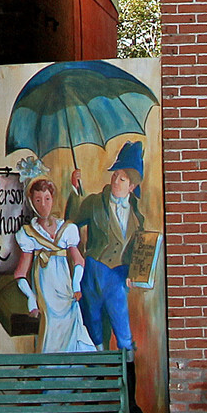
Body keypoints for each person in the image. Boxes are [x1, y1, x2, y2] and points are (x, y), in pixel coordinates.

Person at [66, 141, 147, 377]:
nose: (115, 181)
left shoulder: (137, 216)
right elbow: (71, 222)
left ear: (132, 186)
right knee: (94, 332)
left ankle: (128, 399)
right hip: (92, 274)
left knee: (123, 336)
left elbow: (139, 251)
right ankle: (99, 386)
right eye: (115, 175)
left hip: (118, 279)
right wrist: (75, 190)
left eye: (122, 179)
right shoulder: (93, 203)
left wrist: (135, 273)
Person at [11, 177, 95, 355]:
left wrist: (76, 285)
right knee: (51, 330)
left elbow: (78, 260)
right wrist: (31, 298)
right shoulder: (29, 234)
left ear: (53, 199)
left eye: (47, 199)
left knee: (73, 326)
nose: (43, 205)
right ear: (32, 202)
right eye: (38, 200)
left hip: (66, 289)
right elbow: (20, 273)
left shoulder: (66, 229)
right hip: (45, 290)